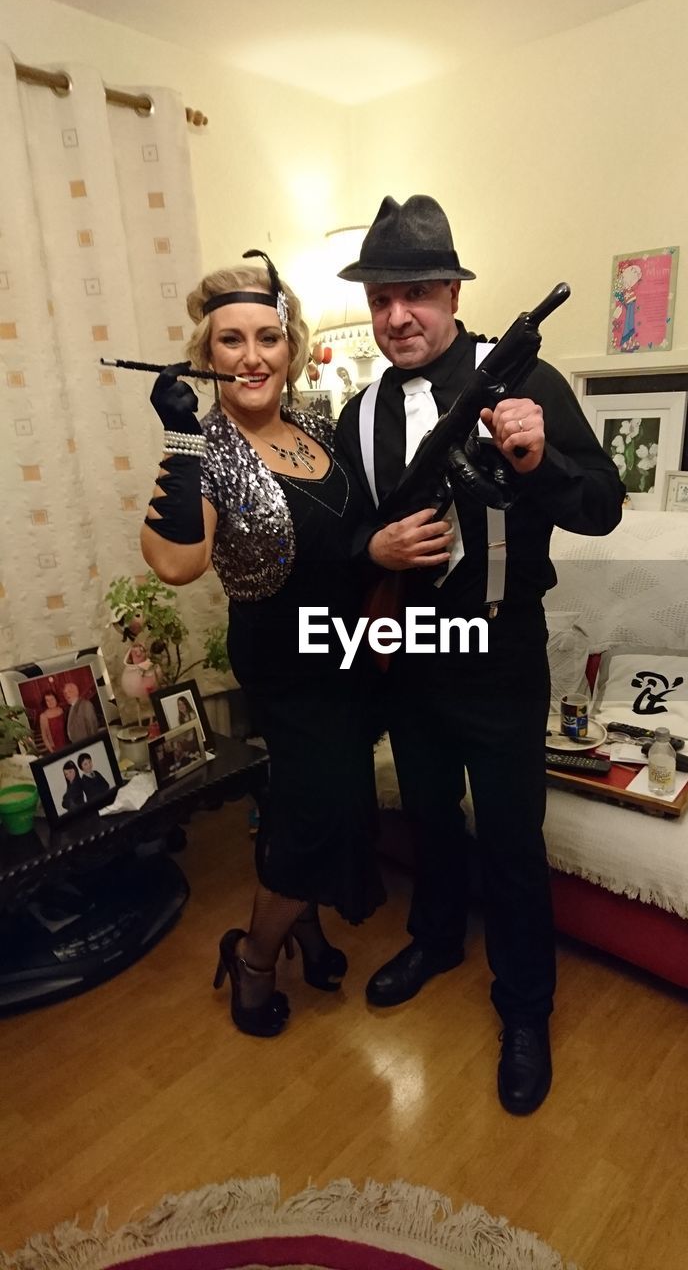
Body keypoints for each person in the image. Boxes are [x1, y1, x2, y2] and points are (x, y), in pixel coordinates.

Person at [333, 195, 625, 1116]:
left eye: (414, 292)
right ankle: (435, 937)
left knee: (509, 835)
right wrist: (367, 555)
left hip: (499, 646)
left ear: (454, 292)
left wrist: (540, 464)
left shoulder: (526, 381)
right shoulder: (360, 411)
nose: (396, 316)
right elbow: (340, 532)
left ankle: (525, 1007)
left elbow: (603, 507)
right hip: (406, 645)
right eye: (381, 298)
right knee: (426, 810)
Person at [140, 251, 384, 1040]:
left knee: (330, 803)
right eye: (231, 342)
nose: (252, 357)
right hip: (284, 657)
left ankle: (304, 927)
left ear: (293, 347)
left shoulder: (317, 423)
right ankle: (251, 956)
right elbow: (176, 563)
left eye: (267, 339)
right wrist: (180, 437)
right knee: (316, 811)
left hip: (350, 646)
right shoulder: (205, 449)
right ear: (205, 358)